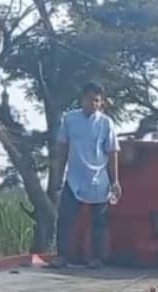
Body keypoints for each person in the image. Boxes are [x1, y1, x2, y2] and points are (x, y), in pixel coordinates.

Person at [50, 81, 121, 269]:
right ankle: (62, 255)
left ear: (101, 102)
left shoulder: (106, 123)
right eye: (90, 99)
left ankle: (96, 258)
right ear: (82, 99)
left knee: (99, 222)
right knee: (65, 218)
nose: (94, 104)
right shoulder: (70, 119)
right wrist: (58, 175)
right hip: (74, 179)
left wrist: (115, 181)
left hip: (99, 179)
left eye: (97, 101)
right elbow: (63, 148)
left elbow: (112, 151)